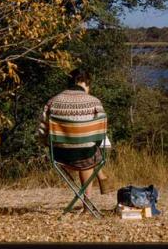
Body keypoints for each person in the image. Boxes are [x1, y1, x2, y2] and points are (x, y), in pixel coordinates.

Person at [38, 68, 113, 212]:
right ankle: (88, 203)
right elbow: (102, 131)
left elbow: (42, 131)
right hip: (86, 156)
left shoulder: (52, 101)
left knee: (85, 147)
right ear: (82, 82)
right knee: (89, 149)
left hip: (60, 156)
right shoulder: (94, 102)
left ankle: (97, 183)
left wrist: (47, 144)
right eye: (88, 85)